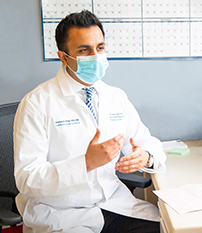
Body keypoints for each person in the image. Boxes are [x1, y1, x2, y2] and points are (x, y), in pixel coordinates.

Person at [13, 10, 166, 233]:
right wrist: (85, 163)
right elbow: (28, 179)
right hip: (61, 214)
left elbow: (147, 141)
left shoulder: (115, 97)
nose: (95, 56)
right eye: (84, 50)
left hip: (113, 204)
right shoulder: (36, 103)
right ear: (64, 57)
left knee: (167, 228)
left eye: (100, 48)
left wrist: (145, 156)